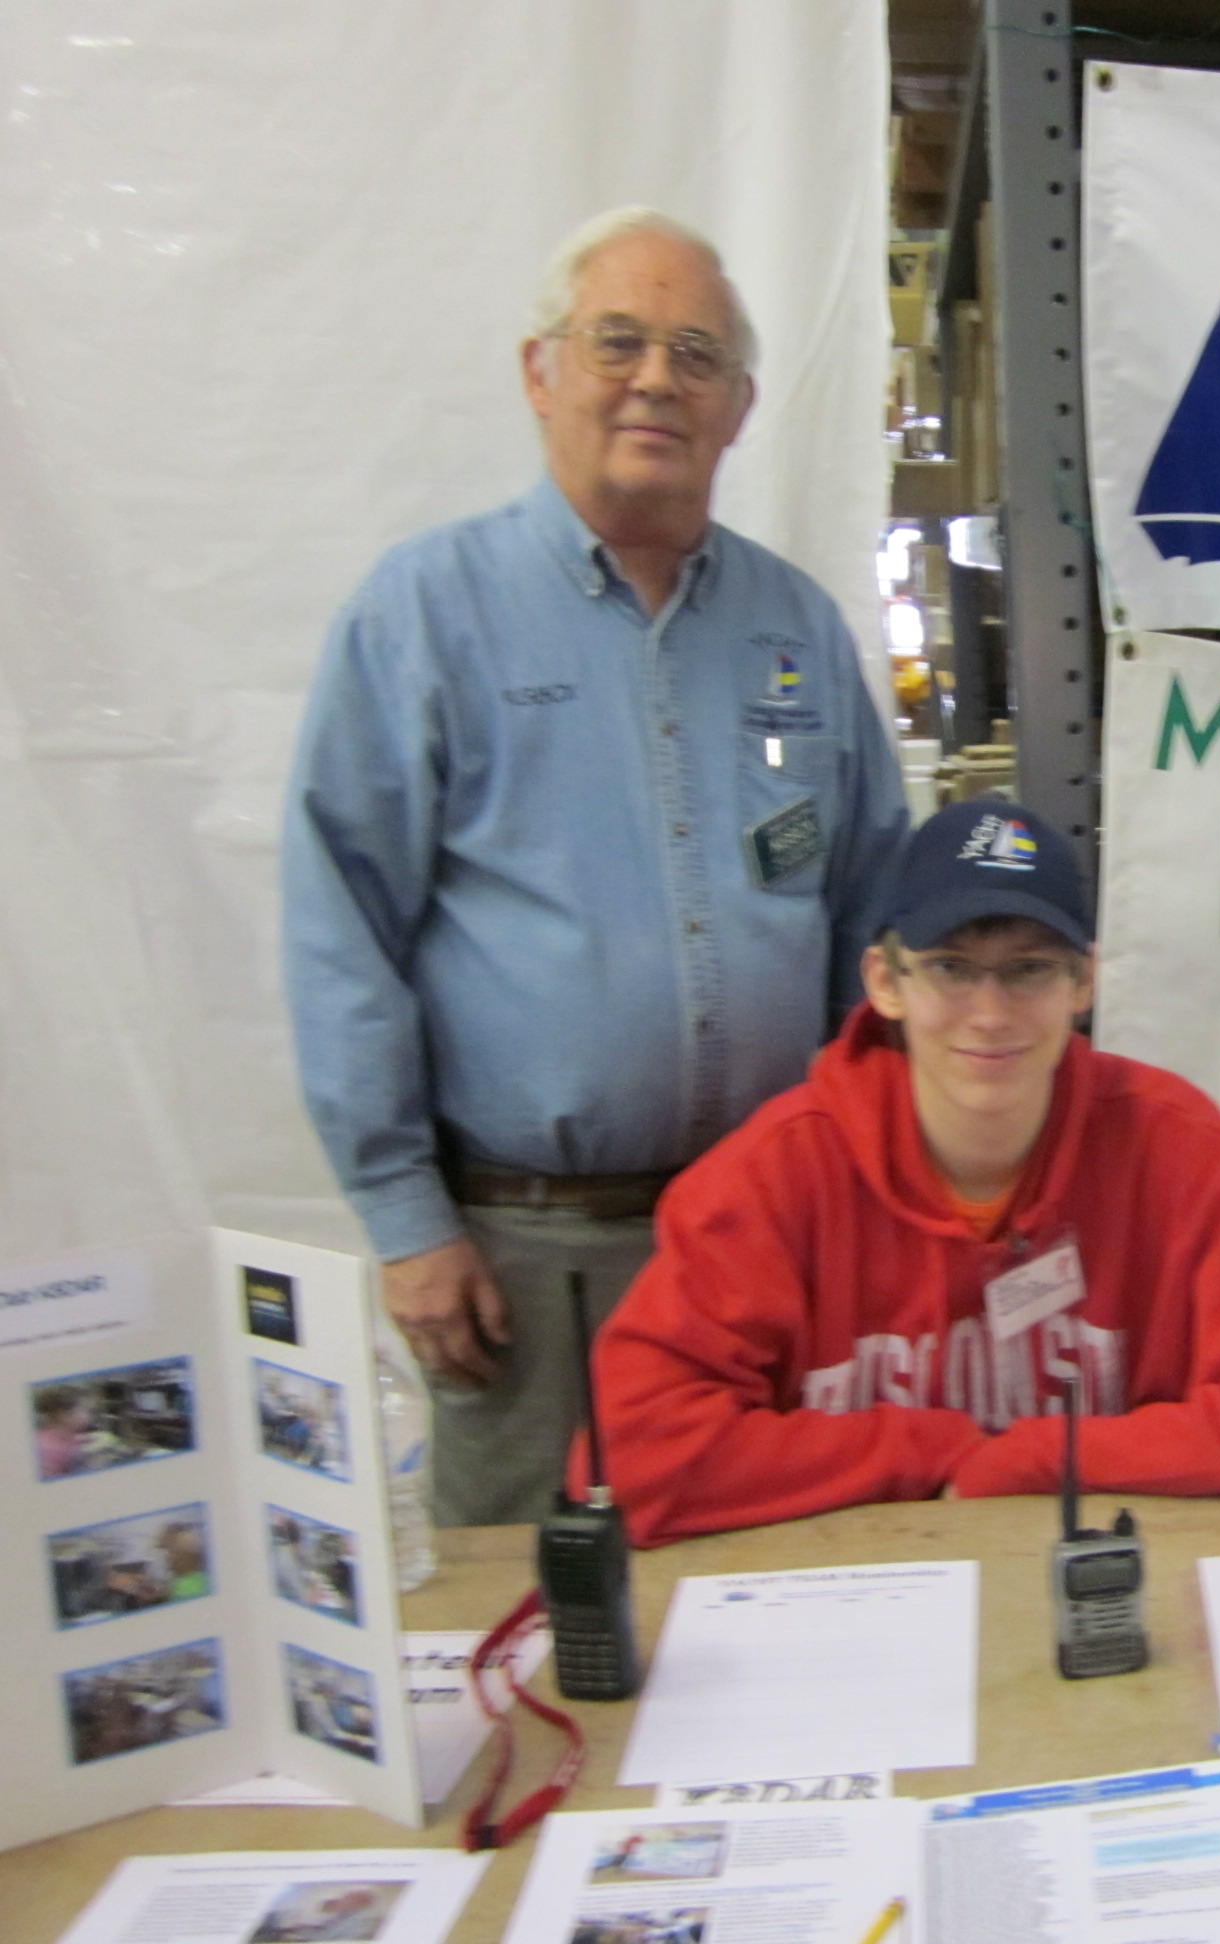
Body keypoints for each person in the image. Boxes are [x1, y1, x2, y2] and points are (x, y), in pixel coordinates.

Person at [282, 208, 908, 1524]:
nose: (656, 380)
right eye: (617, 341)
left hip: (769, 1239)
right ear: (541, 370)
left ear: (739, 406)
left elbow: (873, 925)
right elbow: (342, 931)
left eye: (697, 354)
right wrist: (406, 1220)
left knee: (777, 1590)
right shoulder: (427, 614)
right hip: (528, 1259)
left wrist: (870, 1193)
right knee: (538, 1605)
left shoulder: (796, 630)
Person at [587, 800, 1220, 1543]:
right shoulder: (772, 1177)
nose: (990, 1014)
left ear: (1084, 983)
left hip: (1103, 1576)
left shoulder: (1185, 1156)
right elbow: (627, 1456)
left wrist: (1032, 1461)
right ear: (885, 981)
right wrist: (928, 1452)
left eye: (1030, 969)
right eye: (951, 968)